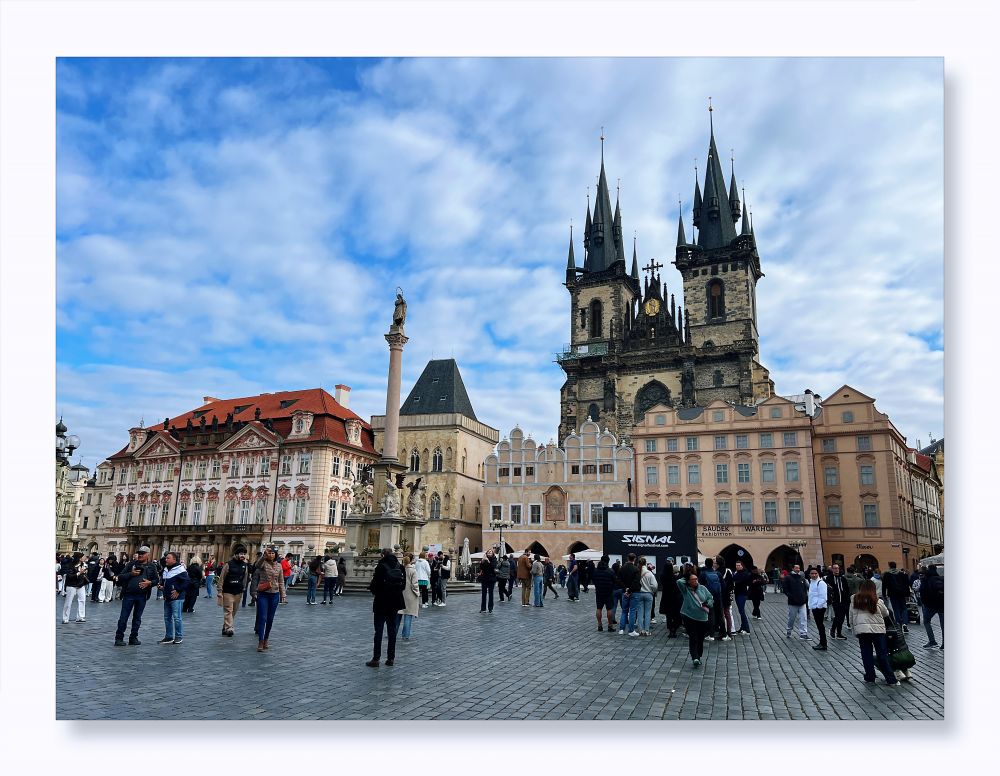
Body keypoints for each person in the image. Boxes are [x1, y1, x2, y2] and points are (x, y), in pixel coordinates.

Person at [849, 579, 899, 686]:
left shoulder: (854, 599)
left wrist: (854, 629)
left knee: (866, 654)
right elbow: (886, 613)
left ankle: (870, 677)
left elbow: (851, 616)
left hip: (862, 631)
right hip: (877, 631)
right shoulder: (877, 600)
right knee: (882, 654)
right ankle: (891, 679)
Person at [113, 546, 159, 646]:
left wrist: (149, 583)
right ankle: (119, 638)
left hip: (142, 596)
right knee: (123, 617)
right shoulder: (131, 564)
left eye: (143, 553)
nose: (140, 555)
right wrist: (131, 574)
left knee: (137, 618)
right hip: (129, 594)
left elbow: (156, 580)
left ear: (148, 554)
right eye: (139, 553)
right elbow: (120, 576)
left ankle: (133, 637)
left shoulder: (152, 566)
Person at [367, 549, 405, 666]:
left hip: (381, 602)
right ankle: (391, 658)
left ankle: (376, 659)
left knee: (378, 630)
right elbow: (403, 585)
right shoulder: (400, 566)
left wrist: (375, 591)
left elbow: (375, 585)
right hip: (395, 602)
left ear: (382, 555)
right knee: (392, 630)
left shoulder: (381, 566)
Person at [252, 547, 287, 651]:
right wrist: (264, 556)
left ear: (275, 555)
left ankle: (266, 638)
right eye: (269, 553)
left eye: (273, 553)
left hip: (274, 594)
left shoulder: (279, 565)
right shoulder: (263, 563)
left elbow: (281, 581)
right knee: (262, 617)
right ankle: (261, 640)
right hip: (263, 593)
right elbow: (257, 565)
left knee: (270, 618)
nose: (271, 555)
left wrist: (283, 594)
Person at [678, 572, 714, 668]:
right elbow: (679, 581)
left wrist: (709, 603)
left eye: (696, 579)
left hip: (702, 617)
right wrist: (687, 575)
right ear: (688, 581)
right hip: (689, 616)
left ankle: (699, 655)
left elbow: (710, 598)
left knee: (700, 638)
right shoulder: (686, 589)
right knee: (693, 637)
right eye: (693, 580)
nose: (695, 581)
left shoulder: (702, 588)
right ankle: (695, 657)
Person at [215, 544, 250, 636]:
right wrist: (219, 590)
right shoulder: (228, 564)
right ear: (236, 554)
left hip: (238, 592)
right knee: (228, 610)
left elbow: (245, 578)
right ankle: (229, 628)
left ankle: (225, 627)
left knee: (234, 611)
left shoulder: (244, 566)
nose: (243, 556)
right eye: (241, 554)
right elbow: (222, 578)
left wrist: (244, 588)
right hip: (228, 591)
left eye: (244, 554)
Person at [158, 551, 189, 644]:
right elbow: (164, 582)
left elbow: (187, 581)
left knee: (177, 618)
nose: (166, 560)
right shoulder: (165, 569)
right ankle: (169, 636)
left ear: (174, 560)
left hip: (177, 598)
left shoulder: (180, 569)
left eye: (168, 558)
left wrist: (178, 590)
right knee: (167, 617)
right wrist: (161, 586)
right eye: (166, 558)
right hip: (167, 597)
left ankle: (179, 636)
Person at [882, 561, 911, 634]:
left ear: (889, 566)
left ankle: (898, 623)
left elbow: (884, 585)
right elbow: (906, 584)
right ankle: (905, 623)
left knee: (896, 609)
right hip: (901, 594)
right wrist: (907, 594)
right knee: (904, 608)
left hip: (892, 594)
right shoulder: (901, 574)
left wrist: (884, 595)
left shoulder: (887, 574)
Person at [919, 564, 944, 649]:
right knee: (943, 624)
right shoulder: (942, 579)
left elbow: (922, 592)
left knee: (926, 621)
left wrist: (925, 603)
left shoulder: (926, 579)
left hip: (930, 606)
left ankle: (932, 641)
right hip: (942, 605)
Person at [698, 557, 723, 640]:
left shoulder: (703, 574)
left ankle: (710, 634)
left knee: (710, 615)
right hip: (718, 596)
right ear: (712, 564)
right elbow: (723, 585)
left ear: (705, 564)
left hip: (708, 597)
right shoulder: (718, 573)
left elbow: (700, 587)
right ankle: (723, 633)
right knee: (719, 614)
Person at [632, 557, 658, 636]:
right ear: (645, 563)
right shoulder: (649, 573)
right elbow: (655, 585)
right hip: (648, 594)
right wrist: (652, 591)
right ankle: (646, 630)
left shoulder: (637, 572)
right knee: (647, 613)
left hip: (639, 594)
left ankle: (640, 630)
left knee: (640, 613)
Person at [782, 564, 809, 639]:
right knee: (792, 618)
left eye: (799, 568)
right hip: (793, 602)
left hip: (802, 602)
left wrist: (805, 597)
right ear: (793, 568)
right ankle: (789, 630)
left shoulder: (802, 577)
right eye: (796, 568)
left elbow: (805, 588)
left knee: (803, 618)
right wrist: (790, 596)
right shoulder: (788, 577)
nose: (798, 569)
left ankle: (803, 633)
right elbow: (785, 589)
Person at [824, 564, 850, 640]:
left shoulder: (843, 578)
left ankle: (839, 633)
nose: (836, 570)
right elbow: (828, 589)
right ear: (832, 569)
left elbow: (847, 589)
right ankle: (833, 629)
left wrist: (847, 600)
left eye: (837, 568)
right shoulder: (829, 578)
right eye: (835, 568)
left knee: (842, 618)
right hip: (835, 601)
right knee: (838, 616)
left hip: (844, 601)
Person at [591, 555, 616, 631]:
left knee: (599, 608)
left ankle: (599, 625)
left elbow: (593, 580)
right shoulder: (610, 571)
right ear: (608, 561)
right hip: (608, 592)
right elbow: (614, 581)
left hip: (599, 592)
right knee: (609, 609)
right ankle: (610, 626)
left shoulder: (595, 571)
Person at [398, 552, 420, 640]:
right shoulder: (412, 570)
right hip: (410, 595)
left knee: (398, 615)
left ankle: (392, 633)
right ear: (411, 560)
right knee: (408, 615)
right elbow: (414, 584)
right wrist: (417, 593)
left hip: (400, 594)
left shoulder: (399, 569)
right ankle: (405, 635)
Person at [62, 552, 88, 624]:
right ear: (79, 558)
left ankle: (80, 617)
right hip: (71, 585)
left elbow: (85, 574)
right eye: (83, 557)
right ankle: (65, 618)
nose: (84, 558)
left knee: (82, 600)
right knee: (68, 601)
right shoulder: (71, 565)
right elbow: (69, 576)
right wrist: (79, 573)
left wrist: (85, 573)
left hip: (81, 584)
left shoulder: (84, 565)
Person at [658, 561, 682, 637]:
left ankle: (670, 629)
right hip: (674, 597)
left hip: (666, 596)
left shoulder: (662, 576)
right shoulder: (674, 577)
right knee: (676, 614)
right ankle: (674, 628)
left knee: (668, 615)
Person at [807, 567, 829, 650]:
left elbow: (823, 597)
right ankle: (822, 643)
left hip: (819, 608)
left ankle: (823, 643)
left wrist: (818, 607)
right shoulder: (812, 582)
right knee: (819, 626)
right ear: (809, 574)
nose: (814, 575)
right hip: (814, 607)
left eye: (815, 573)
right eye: (812, 573)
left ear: (818, 574)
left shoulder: (821, 583)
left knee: (820, 626)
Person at [619, 553, 641, 635]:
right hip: (634, 592)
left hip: (624, 592)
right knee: (632, 611)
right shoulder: (636, 569)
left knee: (624, 611)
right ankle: (631, 630)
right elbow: (636, 582)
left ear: (627, 558)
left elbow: (619, 580)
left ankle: (621, 629)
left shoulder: (622, 568)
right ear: (634, 559)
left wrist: (626, 589)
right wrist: (629, 590)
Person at [717, 558, 735, 639]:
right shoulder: (727, 571)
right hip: (726, 595)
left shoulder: (719, 572)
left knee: (724, 614)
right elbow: (731, 585)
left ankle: (725, 632)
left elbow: (731, 584)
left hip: (721, 595)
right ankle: (728, 632)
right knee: (726, 614)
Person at [732, 560, 752, 634]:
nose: (737, 567)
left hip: (742, 594)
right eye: (736, 565)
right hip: (737, 593)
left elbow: (738, 580)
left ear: (742, 566)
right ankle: (742, 627)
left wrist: (734, 580)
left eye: (739, 565)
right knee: (741, 611)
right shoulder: (736, 572)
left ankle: (747, 628)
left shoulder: (745, 573)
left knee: (741, 611)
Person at [478, 548, 498, 613]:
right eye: (488, 552)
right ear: (486, 553)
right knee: (483, 594)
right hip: (484, 578)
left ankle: (490, 608)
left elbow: (493, 567)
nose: (489, 553)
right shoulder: (484, 559)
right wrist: (482, 561)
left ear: (492, 553)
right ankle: (483, 608)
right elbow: (481, 568)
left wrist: (488, 561)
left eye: (490, 552)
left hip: (491, 578)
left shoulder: (494, 559)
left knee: (490, 593)